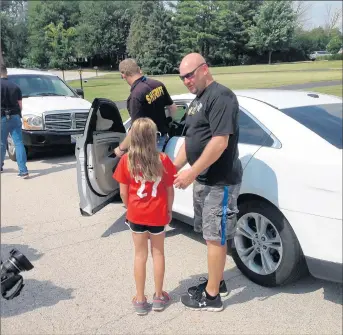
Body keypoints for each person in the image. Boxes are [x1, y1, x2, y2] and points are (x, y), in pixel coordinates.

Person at [173, 53, 243, 312]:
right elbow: (192, 140)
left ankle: (212, 297)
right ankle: (218, 281)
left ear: (205, 69)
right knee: (210, 234)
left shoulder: (221, 96)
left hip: (220, 180)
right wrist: (173, 167)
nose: (186, 81)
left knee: (215, 236)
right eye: (182, 77)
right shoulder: (197, 101)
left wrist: (191, 172)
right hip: (203, 179)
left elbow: (219, 142)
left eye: (190, 75)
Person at [113, 117, 176, 316]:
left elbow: (123, 192)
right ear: (153, 137)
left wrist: (129, 207)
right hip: (158, 214)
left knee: (140, 256)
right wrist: (169, 209)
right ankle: (158, 296)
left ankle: (140, 299)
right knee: (158, 253)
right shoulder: (163, 159)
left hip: (136, 214)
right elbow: (169, 189)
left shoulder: (127, 160)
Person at [114, 58, 177, 156]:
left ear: (123, 75)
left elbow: (136, 130)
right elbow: (173, 108)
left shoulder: (135, 96)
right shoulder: (158, 85)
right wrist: (167, 123)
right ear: (139, 69)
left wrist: (120, 149)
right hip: (164, 138)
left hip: (148, 146)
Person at [0, 64, 29, 178]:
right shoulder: (15, 86)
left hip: (2, 117)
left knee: (2, 143)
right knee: (19, 143)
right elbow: (20, 105)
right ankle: (23, 171)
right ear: (6, 72)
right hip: (15, 116)